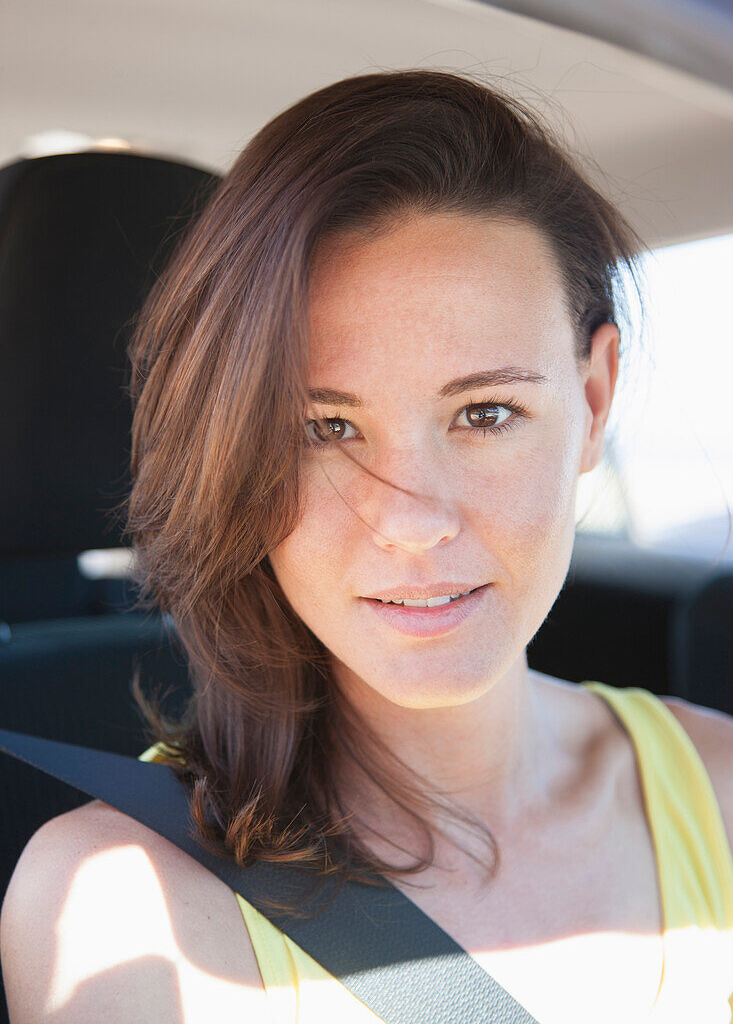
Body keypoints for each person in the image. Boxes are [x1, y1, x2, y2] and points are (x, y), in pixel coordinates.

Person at [1, 69, 732, 1023]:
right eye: (324, 429)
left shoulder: (718, 790)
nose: (414, 519)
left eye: (485, 412)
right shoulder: (130, 912)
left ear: (592, 401)